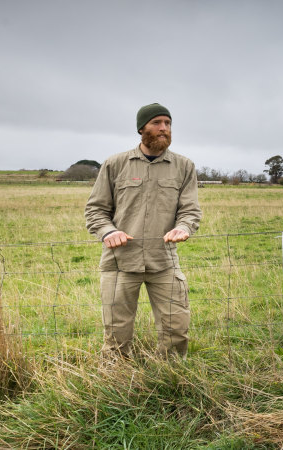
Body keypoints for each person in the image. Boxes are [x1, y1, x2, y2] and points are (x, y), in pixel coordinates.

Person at [85, 103, 202, 358]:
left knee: (177, 330)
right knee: (116, 335)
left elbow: (190, 210)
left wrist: (183, 227)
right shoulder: (115, 164)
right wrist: (108, 232)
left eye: (168, 124)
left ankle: (171, 382)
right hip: (120, 262)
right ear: (142, 128)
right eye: (157, 123)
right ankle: (115, 385)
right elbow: (95, 210)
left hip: (164, 261)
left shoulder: (184, 166)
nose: (164, 129)